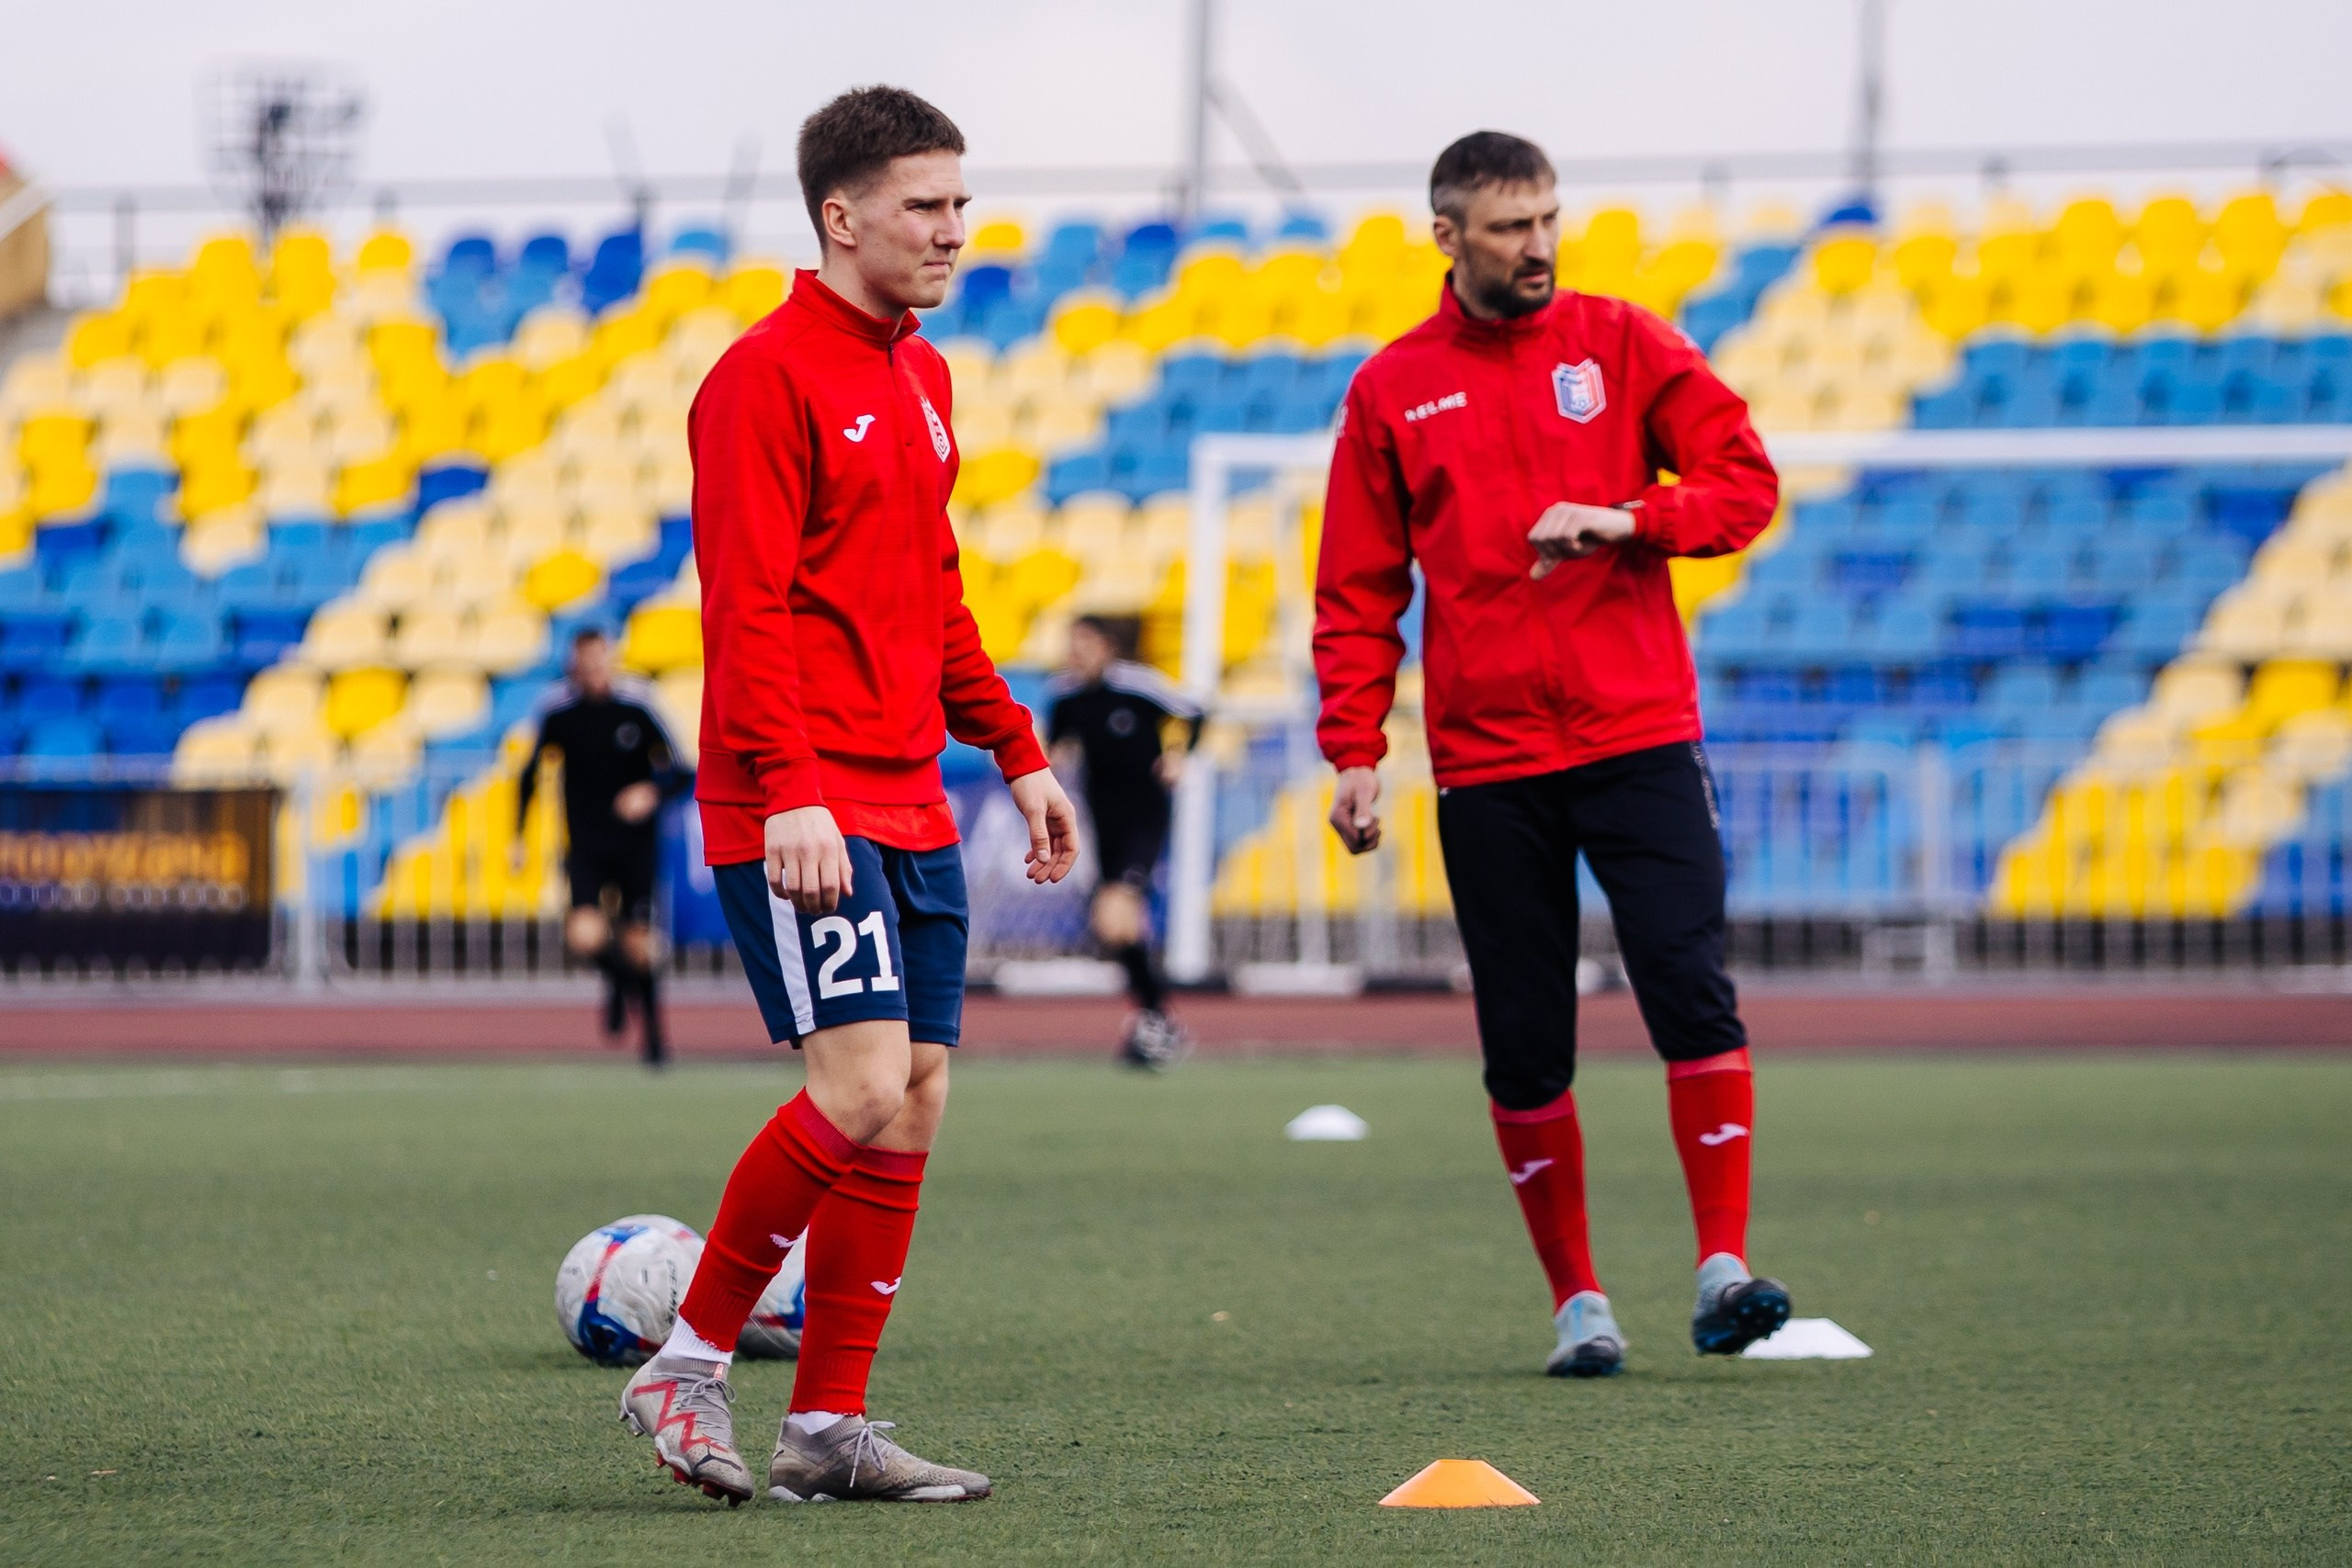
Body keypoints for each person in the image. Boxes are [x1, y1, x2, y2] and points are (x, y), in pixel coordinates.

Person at [616, 85, 1079, 1506]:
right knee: (862, 1083)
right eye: (925, 205)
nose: (954, 229)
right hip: (804, 804)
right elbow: (747, 609)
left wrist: (1017, 750)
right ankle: (686, 1361)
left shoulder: (922, 378)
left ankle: (829, 1423)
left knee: (917, 1095)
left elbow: (933, 595)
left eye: (961, 203)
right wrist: (793, 790)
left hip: (911, 795)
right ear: (841, 215)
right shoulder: (762, 378)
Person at [1312, 130, 1791, 1378]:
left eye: (1548, 221)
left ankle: (1723, 1266)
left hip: (1640, 734)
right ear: (1447, 236)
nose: (1538, 247)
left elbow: (1745, 485)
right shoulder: (1391, 389)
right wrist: (1354, 748)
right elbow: (1357, 591)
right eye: (1511, 226)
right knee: (1525, 1038)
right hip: (1489, 762)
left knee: (1689, 985)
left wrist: (1631, 518)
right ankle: (1579, 1301)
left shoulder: (1623, 342)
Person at [514, 626, 692, 1064]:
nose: (594, 670)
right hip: (586, 844)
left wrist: (650, 792)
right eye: (586, 663)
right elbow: (529, 774)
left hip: (636, 846)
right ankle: (619, 981)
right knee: (584, 935)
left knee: (640, 945)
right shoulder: (560, 712)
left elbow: (681, 771)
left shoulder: (638, 706)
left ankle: (655, 1040)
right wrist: (518, 836)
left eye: (600, 661)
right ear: (575, 666)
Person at [1044, 614, 1202, 1068]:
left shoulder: (1138, 686)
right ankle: (1157, 1019)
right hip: (1101, 824)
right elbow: (1056, 749)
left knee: (1115, 915)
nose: (1076, 653)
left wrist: (1177, 756)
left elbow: (1196, 712)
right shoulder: (1065, 696)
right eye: (1072, 644)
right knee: (1114, 927)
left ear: (1106, 646)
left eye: (1084, 643)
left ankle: (1160, 1020)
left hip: (1144, 820)